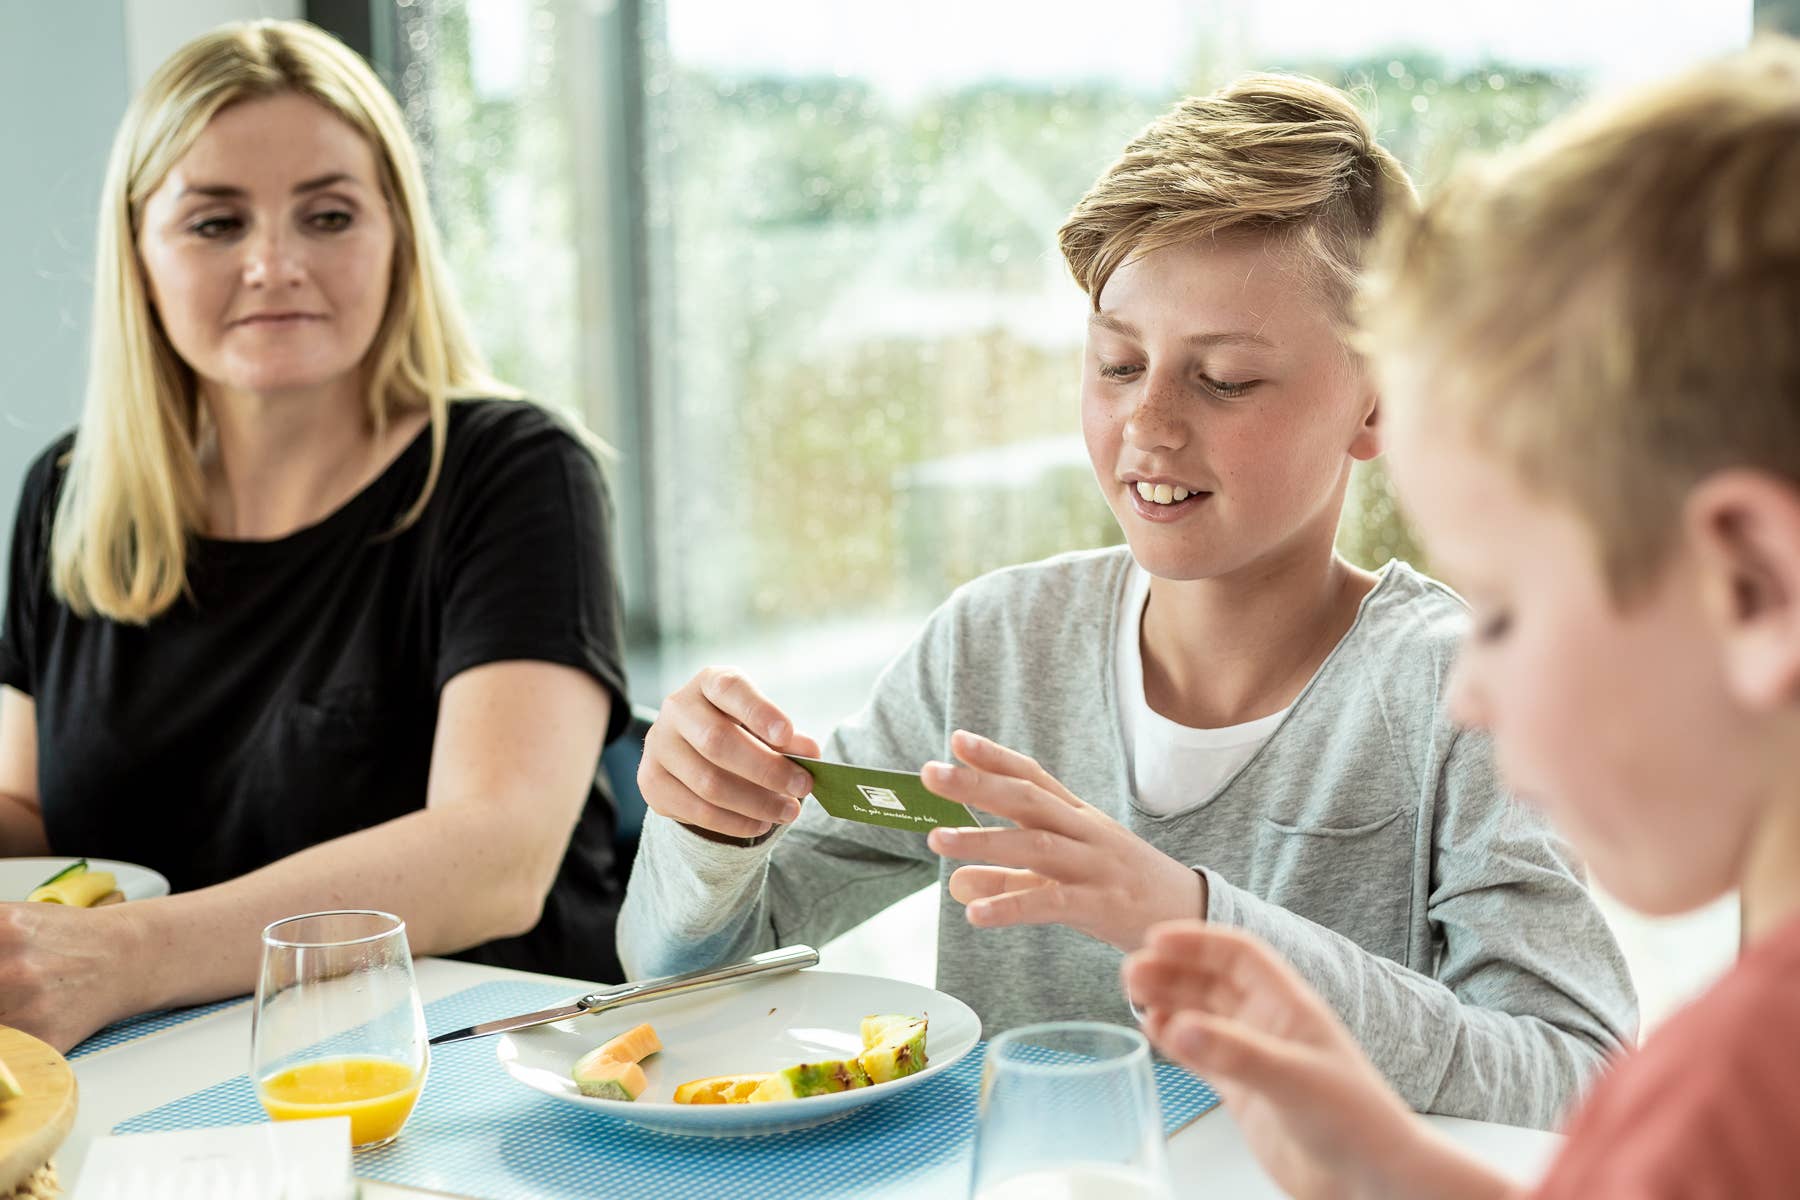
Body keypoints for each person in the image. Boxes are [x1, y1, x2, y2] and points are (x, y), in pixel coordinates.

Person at [619, 74, 1636, 1127]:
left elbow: (1575, 1081)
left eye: (1225, 380)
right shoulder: (993, 651)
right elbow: (684, 977)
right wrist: (708, 828)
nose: (1148, 423)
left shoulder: (1464, 694)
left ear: (1377, 400)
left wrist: (1194, 922)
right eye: (1117, 363)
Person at [1124, 41, 1800, 1197]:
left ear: (1750, 587)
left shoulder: (1733, 1096)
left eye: (1500, 608)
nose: (1470, 686)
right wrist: (1391, 1168)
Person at [0, 19, 630, 1052]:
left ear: (398, 236)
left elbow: (498, 858)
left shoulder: (513, 468)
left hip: (468, 1087)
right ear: (138, 252)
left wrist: (126, 961)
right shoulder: (69, 492)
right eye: (215, 224)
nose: (275, 265)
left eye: (329, 215)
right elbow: (29, 813)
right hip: (154, 1074)